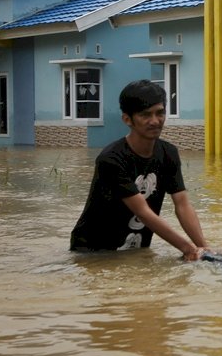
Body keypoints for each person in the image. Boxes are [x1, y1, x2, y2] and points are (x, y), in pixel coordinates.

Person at [70, 79, 209, 261]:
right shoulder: (111, 159)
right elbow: (142, 211)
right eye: (145, 115)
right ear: (127, 119)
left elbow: (182, 204)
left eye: (160, 113)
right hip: (94, 251)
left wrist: (203, 247)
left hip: (136, 248)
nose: (155, 121)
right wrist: (187, 248)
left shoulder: (168, 153)